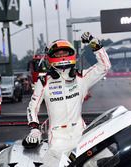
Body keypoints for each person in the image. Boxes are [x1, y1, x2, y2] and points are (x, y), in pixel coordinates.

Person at [24, 32, 111, 166]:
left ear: (72, 54)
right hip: (57, 142)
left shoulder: (81, 77)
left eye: (65, 53)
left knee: (111, 160)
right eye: (58, 54)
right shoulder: (44, 81)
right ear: (50, 57)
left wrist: (94, 44)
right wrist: (35, 129)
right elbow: (32, 107)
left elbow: (105, 66)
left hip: (82, 137)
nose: (62, 56)